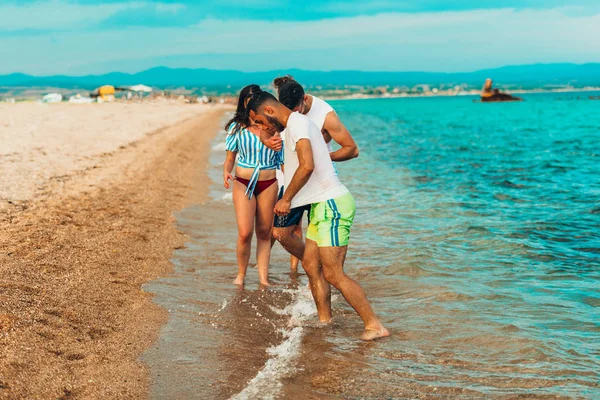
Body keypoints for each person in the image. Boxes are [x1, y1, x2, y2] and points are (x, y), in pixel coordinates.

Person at [247, 91, 389, 341]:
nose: (261, 127)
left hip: (332, 203)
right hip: (321, 205)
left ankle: (374, 325)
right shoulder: (292, 126)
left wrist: (286, 198)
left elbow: (307, 165)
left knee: (333, 273)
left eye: (259, 121)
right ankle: (325, 322)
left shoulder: (299, 123)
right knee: (311, 265)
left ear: (269, 111)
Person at [266, 76, 359, 271]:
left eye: (297, 110)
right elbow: (268, 131)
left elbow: (352, 149)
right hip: (293, 181)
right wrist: (271, 141)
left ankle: (321, 276)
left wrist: (324, 156)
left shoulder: (326, 115)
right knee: (280, 233)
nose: (294, 115)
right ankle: (312, 265)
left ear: (305, 99)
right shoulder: (284, 111)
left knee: (317, 236)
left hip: (319, 184)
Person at [223, 85, 281, 286]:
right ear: (244, 102)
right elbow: (230, 158)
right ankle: (241, 275)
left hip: (269, 183)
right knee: (245, 233)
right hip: (243, 183)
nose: (252, 102)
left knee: (265, 233)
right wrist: (226, 171)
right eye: (249, 99)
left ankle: (263, 279)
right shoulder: (236, 128)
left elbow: (282, 159)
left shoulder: (274, 128)